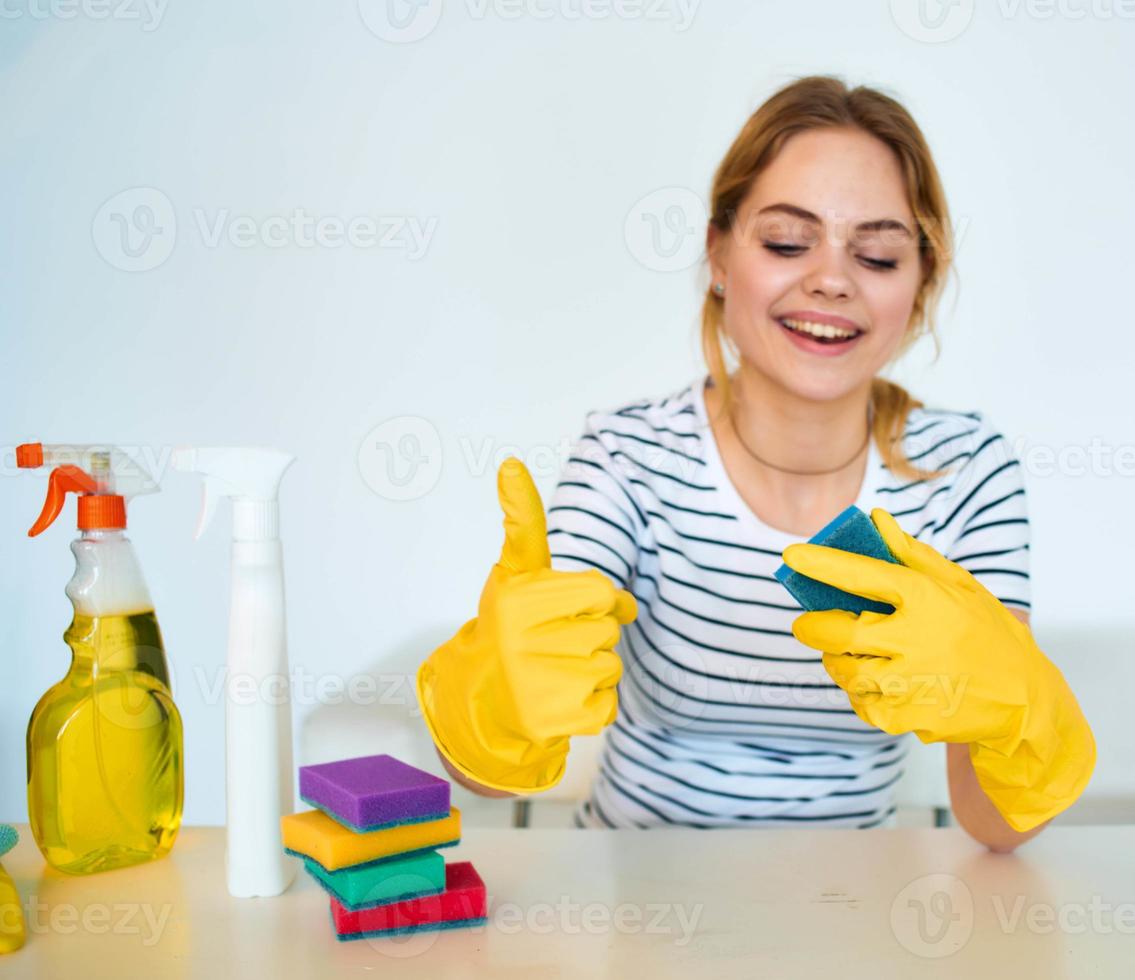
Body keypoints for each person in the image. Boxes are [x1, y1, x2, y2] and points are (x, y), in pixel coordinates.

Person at [417, 75, 1095, 851]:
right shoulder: (627, 459)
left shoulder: (966, 472)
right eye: (785, 242)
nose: (832, 279)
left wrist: (1022, 709)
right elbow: (483, 774)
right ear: (717, 255)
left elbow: (994, 828)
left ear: (920, 285)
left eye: (876, 254)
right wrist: (492, 701)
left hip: (857, 910)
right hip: (631, 912)